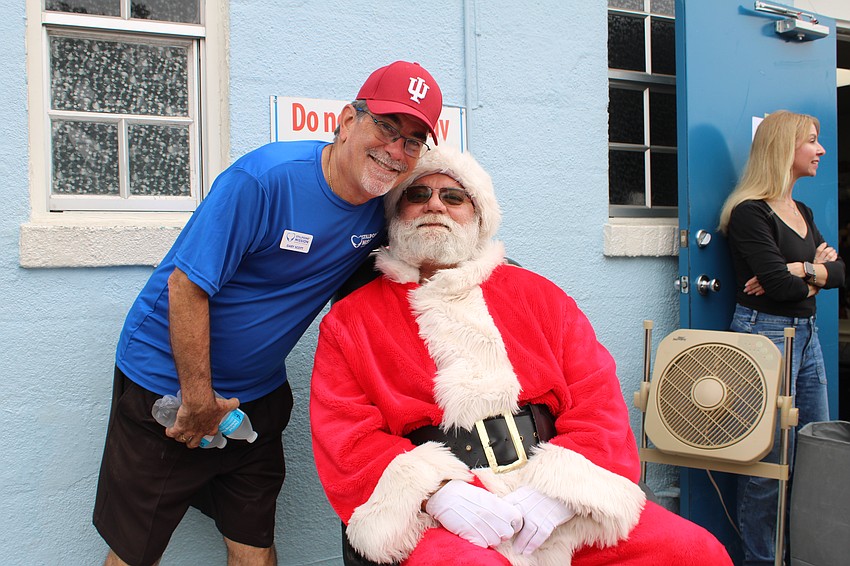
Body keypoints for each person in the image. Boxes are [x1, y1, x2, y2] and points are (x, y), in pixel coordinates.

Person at [92, 60, 443, 566]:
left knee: (254, 545)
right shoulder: (263, 180)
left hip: (256, 397)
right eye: (386, 127)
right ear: (347, 120)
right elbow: (185, 286)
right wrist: (197, 400)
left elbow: (431, 246)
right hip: (167, 386)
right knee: (135, 550)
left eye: (412, 141)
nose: (395, 150)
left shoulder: (381, 210)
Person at [310, 146, 733, 565]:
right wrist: (435, 493)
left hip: (555, 495)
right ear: (395, 214)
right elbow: (346, 436)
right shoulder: (350, 320)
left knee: (695, 552)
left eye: (453, 196)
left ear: (479, 217)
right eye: (417, 195)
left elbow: (597, 400)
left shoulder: (540, 296)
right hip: (437, 517)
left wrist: (563, 492)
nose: (434, 204)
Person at [718, 110, 845, 566]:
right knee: (766, 464)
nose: (821, 149)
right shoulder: (751, 214)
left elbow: (841, 272)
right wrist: (812, 272)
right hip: (765, 337)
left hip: (806, 337)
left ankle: (805, 555)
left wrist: (798, 270)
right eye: (812, 141)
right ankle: (762, 560)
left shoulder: (803, 212)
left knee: (816, 451)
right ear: (783, 149)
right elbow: (782, 287)